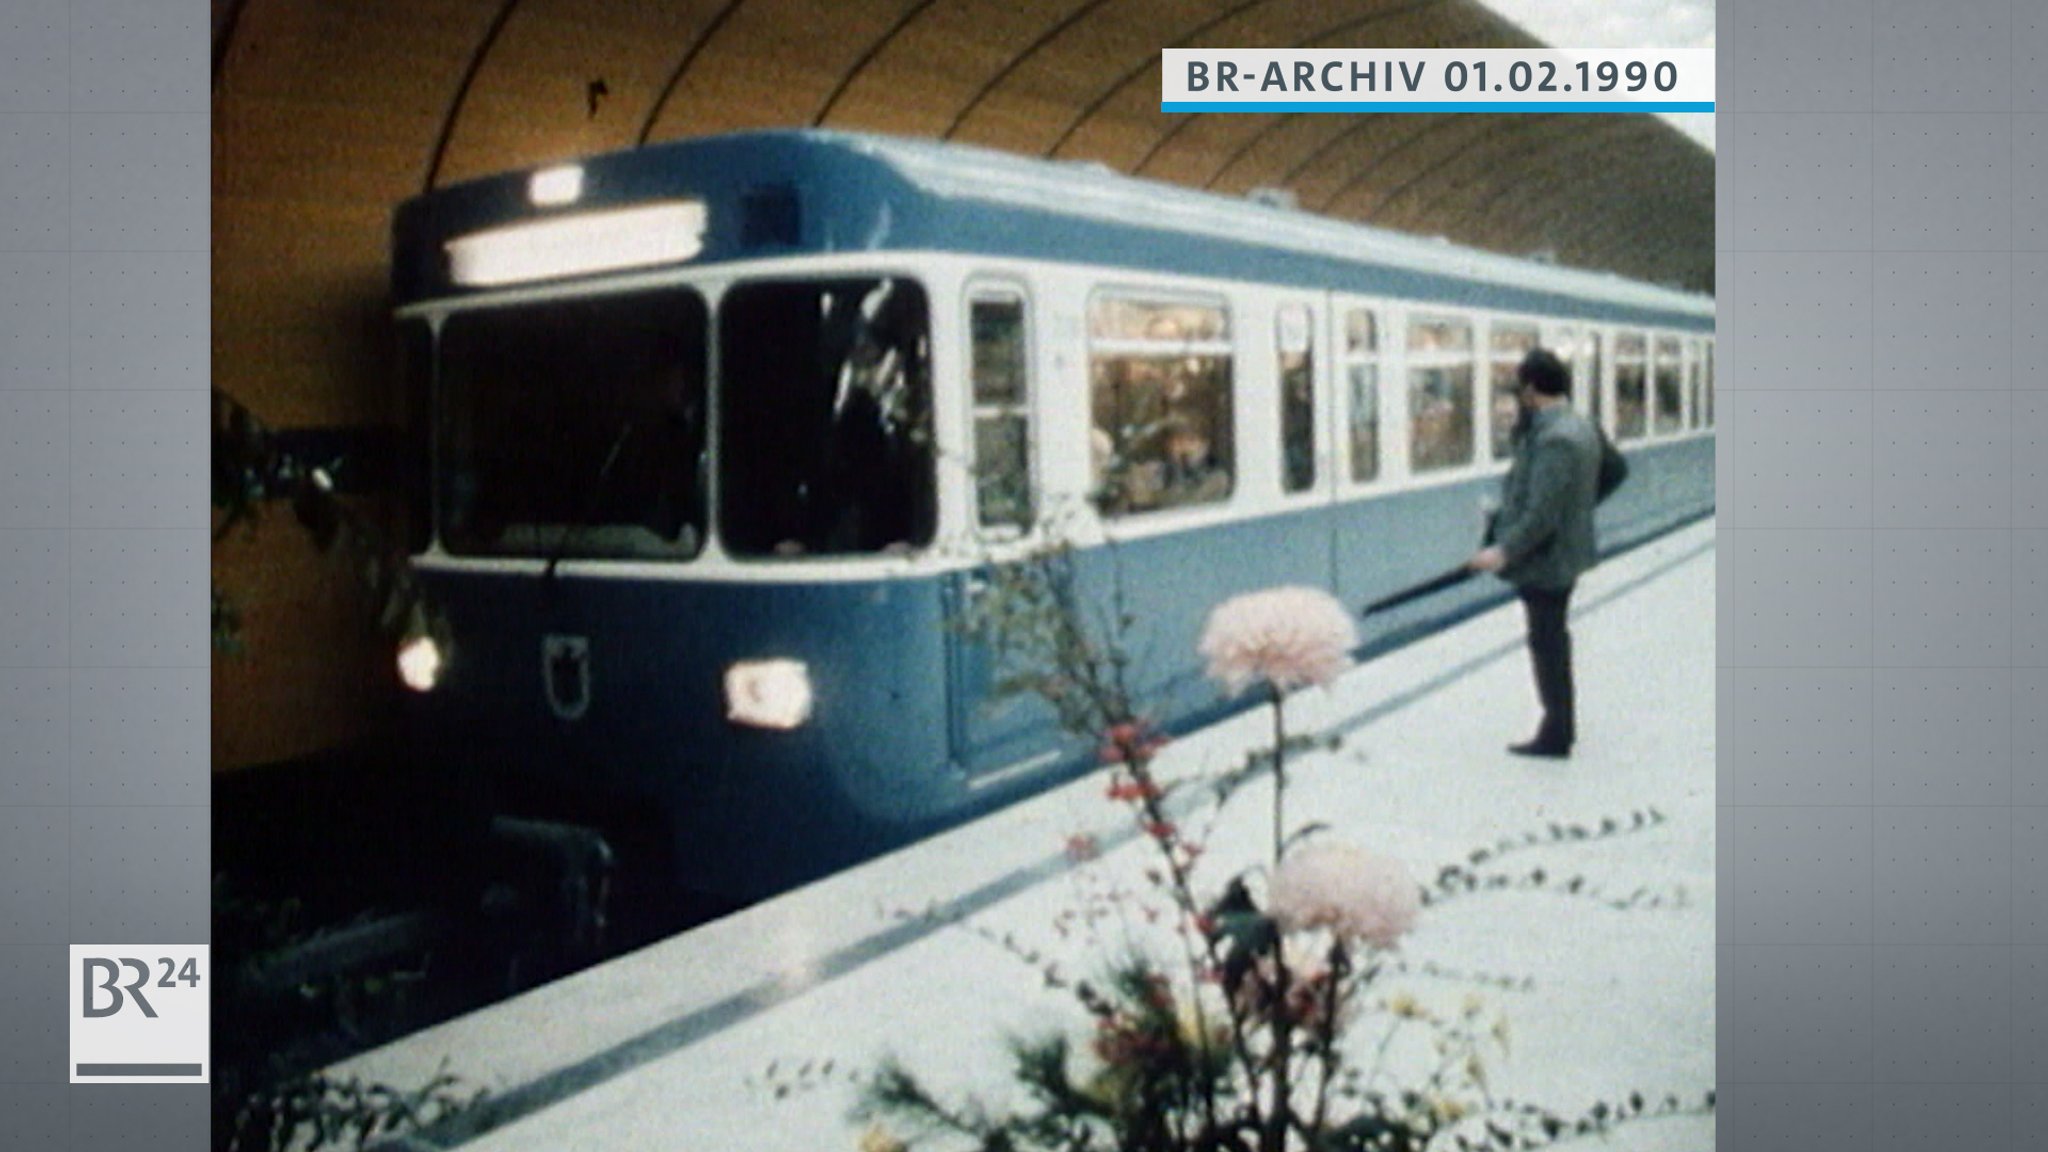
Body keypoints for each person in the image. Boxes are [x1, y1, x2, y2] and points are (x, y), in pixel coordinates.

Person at [1468, 348, 1601, 759]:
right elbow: (1611, 472)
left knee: (1547, 644)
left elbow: (1542, 515)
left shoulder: (1556, 438)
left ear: (1531, 389)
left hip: (1547, 560)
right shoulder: (1579, 426)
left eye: (1519, 390)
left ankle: (1556, 733)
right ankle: (1559, 726)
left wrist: (1502, 551)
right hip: (1560, 553)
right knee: (1550, 640)